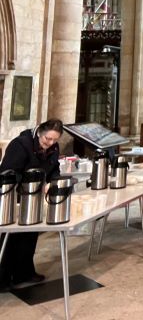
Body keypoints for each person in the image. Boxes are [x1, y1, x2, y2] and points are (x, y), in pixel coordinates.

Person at [0, 119, 63, 290]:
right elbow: (8, 171)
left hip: (35, 198)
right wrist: (30, 183)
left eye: (54, 141)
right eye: (47, 139)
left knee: (30, 235)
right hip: (15, 197)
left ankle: (24, 273)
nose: (50, 144)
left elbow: (54, 167)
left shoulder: (53, 148)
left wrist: (52, 181)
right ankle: (3, 278)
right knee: (12, 237)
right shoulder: (21, 145)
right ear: (40, 133)